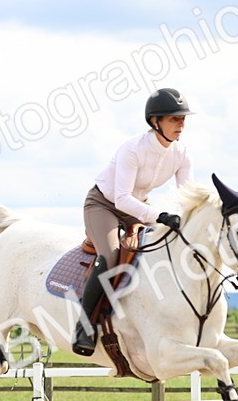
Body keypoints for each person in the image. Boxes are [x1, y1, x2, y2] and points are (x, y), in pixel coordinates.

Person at [72, 87, 194, 356]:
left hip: (138, 208)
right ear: (155, 121)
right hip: (105, 203)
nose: (181, 124)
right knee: (112, 255)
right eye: (174, 119)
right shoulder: (132, 149)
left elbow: (186, 197)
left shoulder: (182, 154)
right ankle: (84, 326)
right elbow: (122, 199)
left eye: (183, 118)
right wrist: (160, 216)